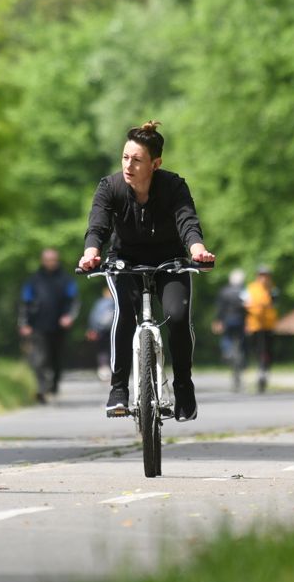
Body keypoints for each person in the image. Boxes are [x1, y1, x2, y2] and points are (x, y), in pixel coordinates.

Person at [77, 120, 216, 421]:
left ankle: (184, 387)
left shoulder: (174, 186)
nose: (128, 165)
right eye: (125, 157)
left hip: (169, 261)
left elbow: (187, 222)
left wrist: (197, 250)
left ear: (155, 164)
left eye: (137, 160)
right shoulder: (110, 187)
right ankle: (118, 389)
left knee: (177, 316)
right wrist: (91, 253)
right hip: (124, 262)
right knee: (125, 314)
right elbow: (97, 226)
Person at [18, 247, 80, 402]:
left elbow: (74, 301)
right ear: (43, 261)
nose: (50, 263)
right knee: (39, 358)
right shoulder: (34, 280)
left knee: (56, 358)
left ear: (57, 261)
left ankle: (54, 384)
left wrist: (69, 317)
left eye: (53, 260)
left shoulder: (66, 280)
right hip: (38, 326)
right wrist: (24, 323)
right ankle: (42, 388)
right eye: (47, 260)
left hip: (59, 327)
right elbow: (25, 302)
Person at [244, 264, 279, 393]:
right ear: (258, 276)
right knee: (258, 350)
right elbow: (244, 304)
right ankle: (261, 369)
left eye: (266, 276)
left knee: (268, 350)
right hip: (254, 325)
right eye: (262, 275)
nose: (264, 278)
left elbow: (275, 304)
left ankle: (264, 370)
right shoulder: (250, 289)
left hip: (268, 325)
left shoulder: (273, 290)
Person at [213, 269, 249, 389]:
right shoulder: (244, 291)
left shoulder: (224, 291)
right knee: (241, 341)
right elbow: (248, 308)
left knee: (226, 338)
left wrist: (218, 321)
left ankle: (227, 352)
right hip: (240, 321)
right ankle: (241, 359)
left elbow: (220, 308)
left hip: (227, 320)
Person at [85, 284, 116, 383]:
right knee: (111, 349)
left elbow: (93, 317)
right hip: (112, 330)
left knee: (102, 350)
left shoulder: (99, 303)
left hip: (100, 330)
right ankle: (111, 370)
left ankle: (104, 370)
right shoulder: (116, 303)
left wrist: (92, 329)